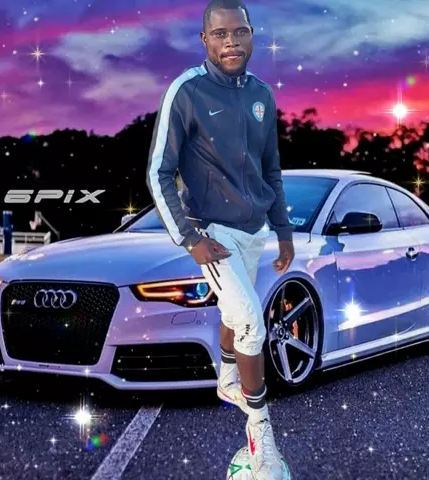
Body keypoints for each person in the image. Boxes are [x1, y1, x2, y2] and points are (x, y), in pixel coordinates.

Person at [146, 1, 294, 478]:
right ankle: (261, 434)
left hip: (255, 231)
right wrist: (190, 239)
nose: (231, 41)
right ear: (205, 40)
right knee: (251, 320)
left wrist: (283, 230)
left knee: (235, 313)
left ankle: (228, 377)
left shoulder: (262, 95)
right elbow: (158, 172)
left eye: (240, 31)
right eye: (220, 34)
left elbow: (271, 169)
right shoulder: (186, 91)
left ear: (252, 35)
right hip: (212, 231)